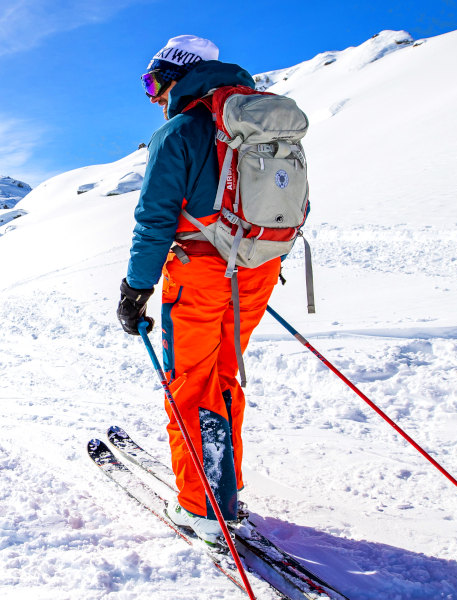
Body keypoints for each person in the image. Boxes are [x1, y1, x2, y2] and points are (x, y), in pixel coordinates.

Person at [116, 35, 283, 545]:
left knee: (189, 383)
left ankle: (201, 506)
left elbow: (155, 220)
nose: (151, 94)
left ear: (176, 73)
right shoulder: (256, 121)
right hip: (255, 269)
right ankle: (222, 490)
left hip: (202, 276)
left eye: (152, 81)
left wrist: (136, 287)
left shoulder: (180, 130)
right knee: (222, 375)